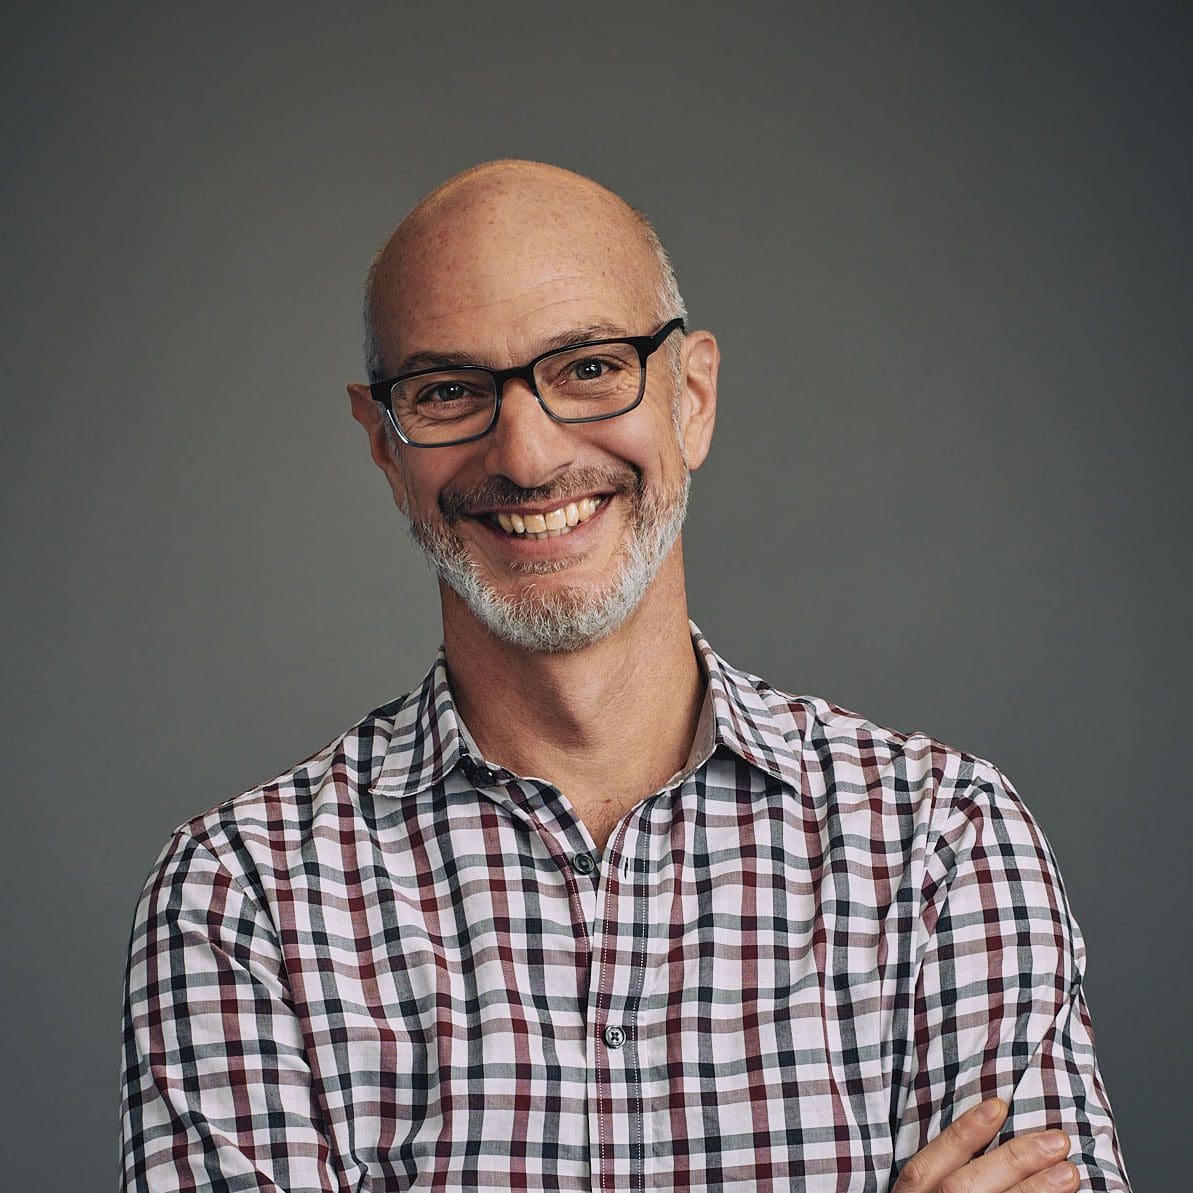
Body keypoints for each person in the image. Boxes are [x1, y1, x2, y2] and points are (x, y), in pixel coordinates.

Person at [119, 160, 1130, 1192]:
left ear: (690, 396)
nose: (523, 452)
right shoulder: (242, 894)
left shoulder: (941, 843)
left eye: (588, 367)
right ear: (383, 442)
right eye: (447, 390)